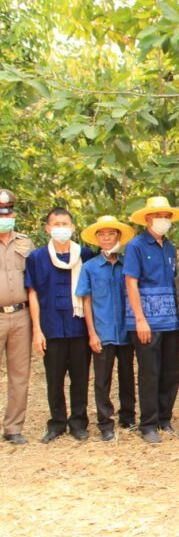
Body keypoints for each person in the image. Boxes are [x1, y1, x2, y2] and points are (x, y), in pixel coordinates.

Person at [25, 207, 94, 443]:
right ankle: (56, 424)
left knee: (80, 377)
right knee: (54, 379)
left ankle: (78, 422)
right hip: (51, 326)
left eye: (65, 224)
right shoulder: (36, 258)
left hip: (79, 327)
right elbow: (32, 293)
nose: (61, 228)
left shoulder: (85, 255)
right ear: (48, 228)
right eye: (57, 224)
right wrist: (37, 330)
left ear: (73, 227)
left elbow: (92, 293)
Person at [124, 196, 179, 444]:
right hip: (146, 321)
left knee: (171, 372)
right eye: (160, 216)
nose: (164, 221)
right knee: (149, 372)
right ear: (148, 218)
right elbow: (131, 282)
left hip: (170, 320)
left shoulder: (170, 247)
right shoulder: (136, 246)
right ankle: (148, 424)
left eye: (168, 216)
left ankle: (164, 418)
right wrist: (140, 319)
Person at [75, 215, 137, 441]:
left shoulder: (127, 264)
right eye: (102, 234)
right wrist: (92, 333)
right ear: (97, 238)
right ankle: (105, 423)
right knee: (102, 380)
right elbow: (86, 300)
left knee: (128, 375)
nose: (107, 238)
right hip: (102, 332)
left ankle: (128, 416)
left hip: (126, 330)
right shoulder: (90, 267)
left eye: (111, 234)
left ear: (118, 236)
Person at [0, 189, 34, 445]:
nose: (5, 216)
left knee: (19, 374)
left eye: (8, 211)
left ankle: (13, 428)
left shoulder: (26, 243)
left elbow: (34, 283)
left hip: (21, 316)